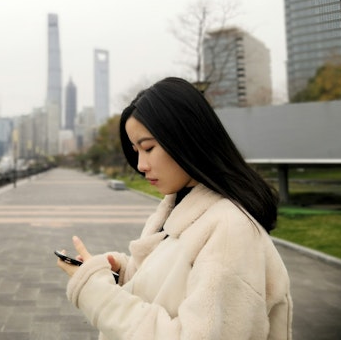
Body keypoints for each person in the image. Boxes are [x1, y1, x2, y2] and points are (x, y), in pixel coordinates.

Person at [57, 77, 292, 339]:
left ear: (185, 138)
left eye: (148, 148)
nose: (141, 164)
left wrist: (95, 291)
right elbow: (171, 285)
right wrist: (119, 274)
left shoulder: (229, 230)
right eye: (136, 151)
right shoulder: (176, 209)